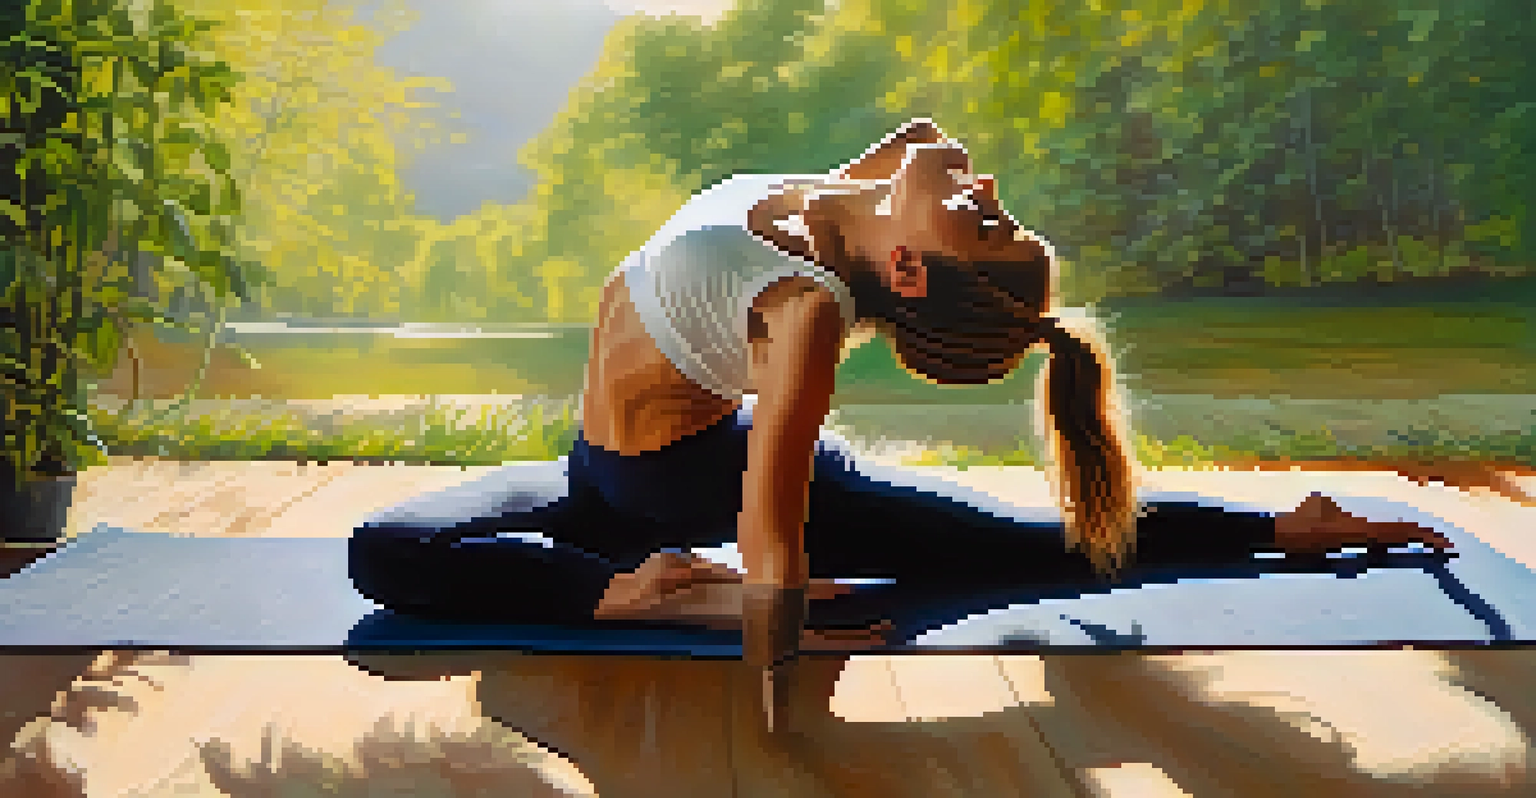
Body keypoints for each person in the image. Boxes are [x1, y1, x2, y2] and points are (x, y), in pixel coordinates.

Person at [349, 119, 1450, 728]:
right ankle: (627, 585)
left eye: (986, 223)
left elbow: (772, 508)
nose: (988, 187)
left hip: (684, 480)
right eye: (998, 212)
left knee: (1017, 547)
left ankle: (1283, 527)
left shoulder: (806, 306)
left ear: (911, 269)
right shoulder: (844, 202)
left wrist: (771, 661)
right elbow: (927, 141)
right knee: (381, 550)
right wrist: (958, 203)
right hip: (588, 475)